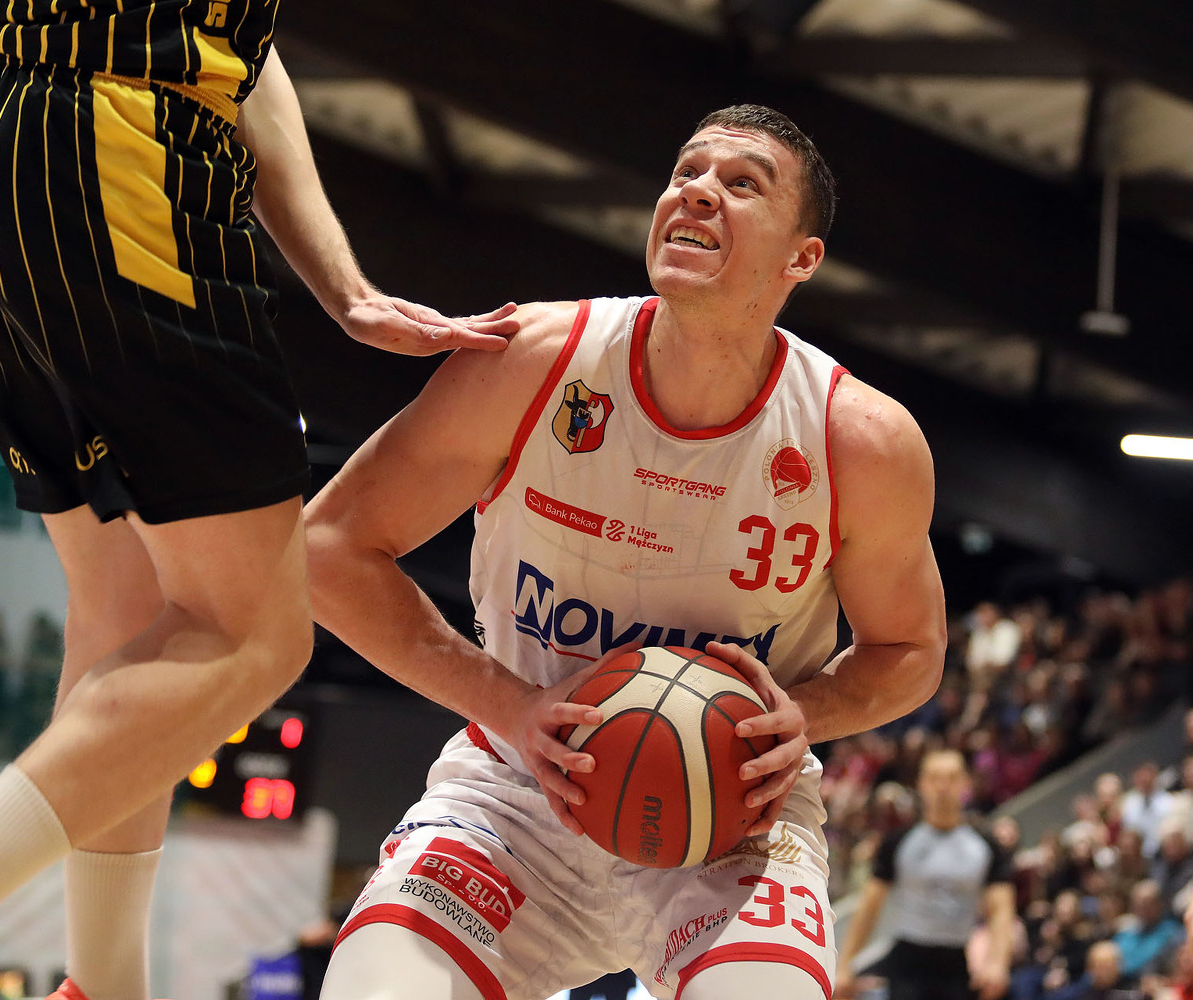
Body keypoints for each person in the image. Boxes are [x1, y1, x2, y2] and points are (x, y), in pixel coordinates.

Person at [0, 3, 517, 1000]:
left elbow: (248, 57)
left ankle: (102, 984)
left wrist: (343, 287)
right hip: (125, 141)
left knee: (128, 608)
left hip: (1, 140)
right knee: (256, 633)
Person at [305, 104, 947, 999]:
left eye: (742, 183)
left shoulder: (860, 441)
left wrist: (804, 712)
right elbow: (328, 549)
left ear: (802, 259)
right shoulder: (532, 360)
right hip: (516, 795)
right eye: (687, 172)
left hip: (733, 816)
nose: (699, 191)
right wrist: (514, 708)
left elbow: (910, 650)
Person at [835, 750, 1016, 1000]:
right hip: (907, 962)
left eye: (951, 778)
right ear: (921, 784)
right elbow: (869, 906)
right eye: (934, 778)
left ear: (965, 782)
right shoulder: (898, 842)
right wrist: (845, 965)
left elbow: (1001, 909)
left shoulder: (985, 845)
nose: (942, 787)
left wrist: (997, 963)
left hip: (956, 962)